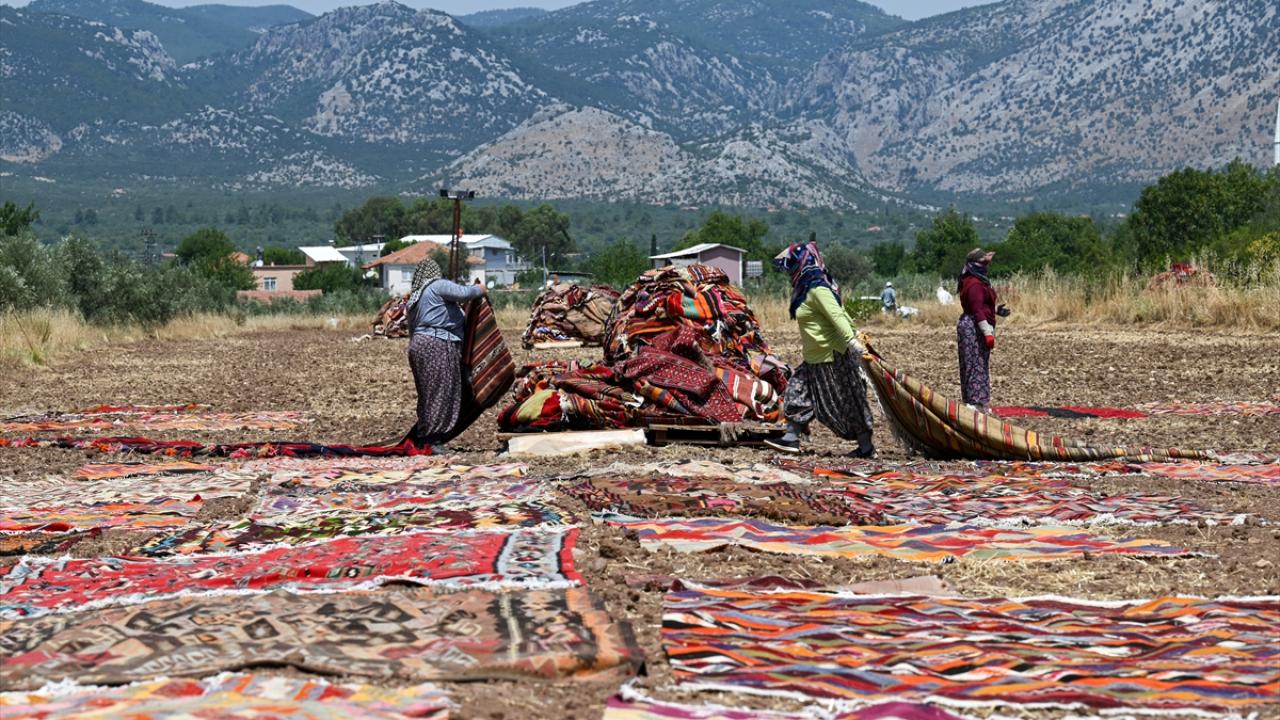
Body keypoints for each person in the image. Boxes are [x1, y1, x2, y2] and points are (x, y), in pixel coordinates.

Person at [765, 241, 875, 457]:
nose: (789, 273)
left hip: (832, 356)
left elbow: (837, 315)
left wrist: (853, 343)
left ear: (804, 264)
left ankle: (866, 448)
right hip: (813, 357)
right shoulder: (804, 290)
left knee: (847, 401)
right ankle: (790, 438)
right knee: (796, 391)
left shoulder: (818, 289)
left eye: (792, 266)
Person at [405, 258, 486, 447]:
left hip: (419, 346)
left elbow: (411, 329)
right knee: (440, 392)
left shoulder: (415, 299)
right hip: (437, 344)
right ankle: (432, 440)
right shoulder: (437, 286)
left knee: (428, 394)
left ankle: (426, 434)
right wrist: (481, 289)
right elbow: (465, 293)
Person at [956, 248, 1010, 410]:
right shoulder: (974, 283)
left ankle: (979, 400)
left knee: (979, 362)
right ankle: (974, 402)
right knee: (974, 362)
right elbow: (977, 310)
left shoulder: (978, 280)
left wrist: (995, 311)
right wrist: (987, 333)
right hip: (974, 327)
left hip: (976, 324)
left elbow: (982, 306)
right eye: (982, 262)